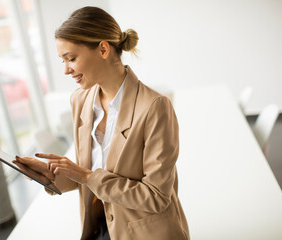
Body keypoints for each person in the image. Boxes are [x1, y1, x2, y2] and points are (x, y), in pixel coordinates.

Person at [13, 6, 189, 240]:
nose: (66, 70)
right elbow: (90, 174)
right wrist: (53, 175)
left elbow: (155, 196)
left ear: (103, 49)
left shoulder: (154, 107)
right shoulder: (80, 100)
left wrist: (85, 176)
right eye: (62, 61)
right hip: (98, 227)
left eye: (71, 58)